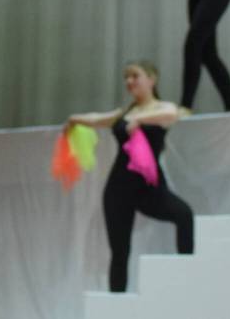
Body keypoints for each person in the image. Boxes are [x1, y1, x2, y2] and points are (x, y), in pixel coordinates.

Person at [65, 61, 194, 293]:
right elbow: (97, 119)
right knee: (120, 251)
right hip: (119, 188)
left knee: (184, 215)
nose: (129, 81)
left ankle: (188, 281)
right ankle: (117, 305)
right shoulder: (124, 113)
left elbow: (173, 113)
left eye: (135, 76)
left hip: (149, 188)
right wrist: (75, 119)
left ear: (152, 79)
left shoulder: (161, 109)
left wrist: (141, 120)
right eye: (126, 77)